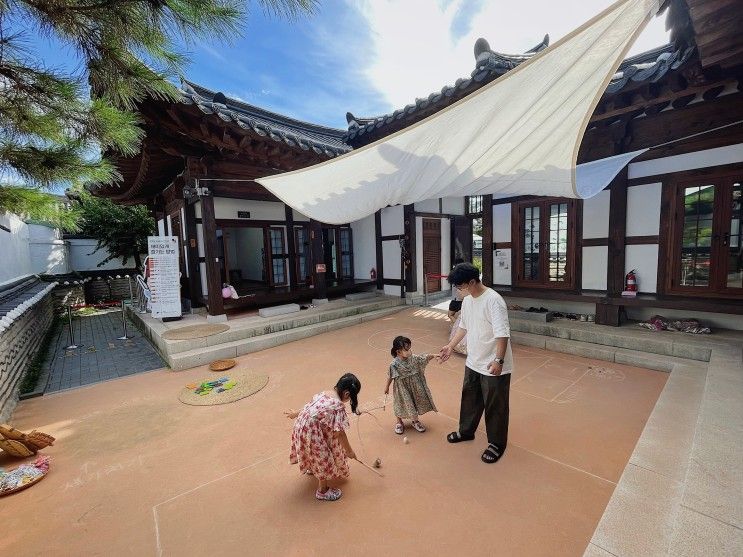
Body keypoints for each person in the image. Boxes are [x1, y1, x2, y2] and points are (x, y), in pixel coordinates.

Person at [439, 263, 513, 464]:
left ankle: (497, 444)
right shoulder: (469, 301)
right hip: (474, 361)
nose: (457, 291)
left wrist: (499, 360)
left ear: (472, 282)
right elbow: (463, 327)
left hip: (493, 364)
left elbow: (502, 334)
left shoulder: (493, 301)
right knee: (470, 398)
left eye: (459, 286)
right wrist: (450, 346)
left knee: (495, 405)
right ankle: (466, 431)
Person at [285, 373, 361, 501]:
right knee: (322, 457)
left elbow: (309, 407)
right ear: (347, 394)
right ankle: (322, 490)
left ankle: (311, 467)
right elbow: (340, 433)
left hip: (301, 426)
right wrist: (349, 451)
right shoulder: (338, 407)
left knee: (311, 451)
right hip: (312, 432)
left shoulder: (325, 393)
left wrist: (295, 414)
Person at [384, 336, 437, 435]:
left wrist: (433, 355)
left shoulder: (413, 358)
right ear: (398, 351)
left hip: (414, 386)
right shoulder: (394, 364)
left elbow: (423, 358)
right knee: (400, 403)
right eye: (406, 349)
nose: (409, 351)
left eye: (410, 348)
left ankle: (415, 421)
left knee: (414, 402)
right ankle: (399, 422)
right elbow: (390, 376)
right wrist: (386, 387)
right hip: (402, 388)